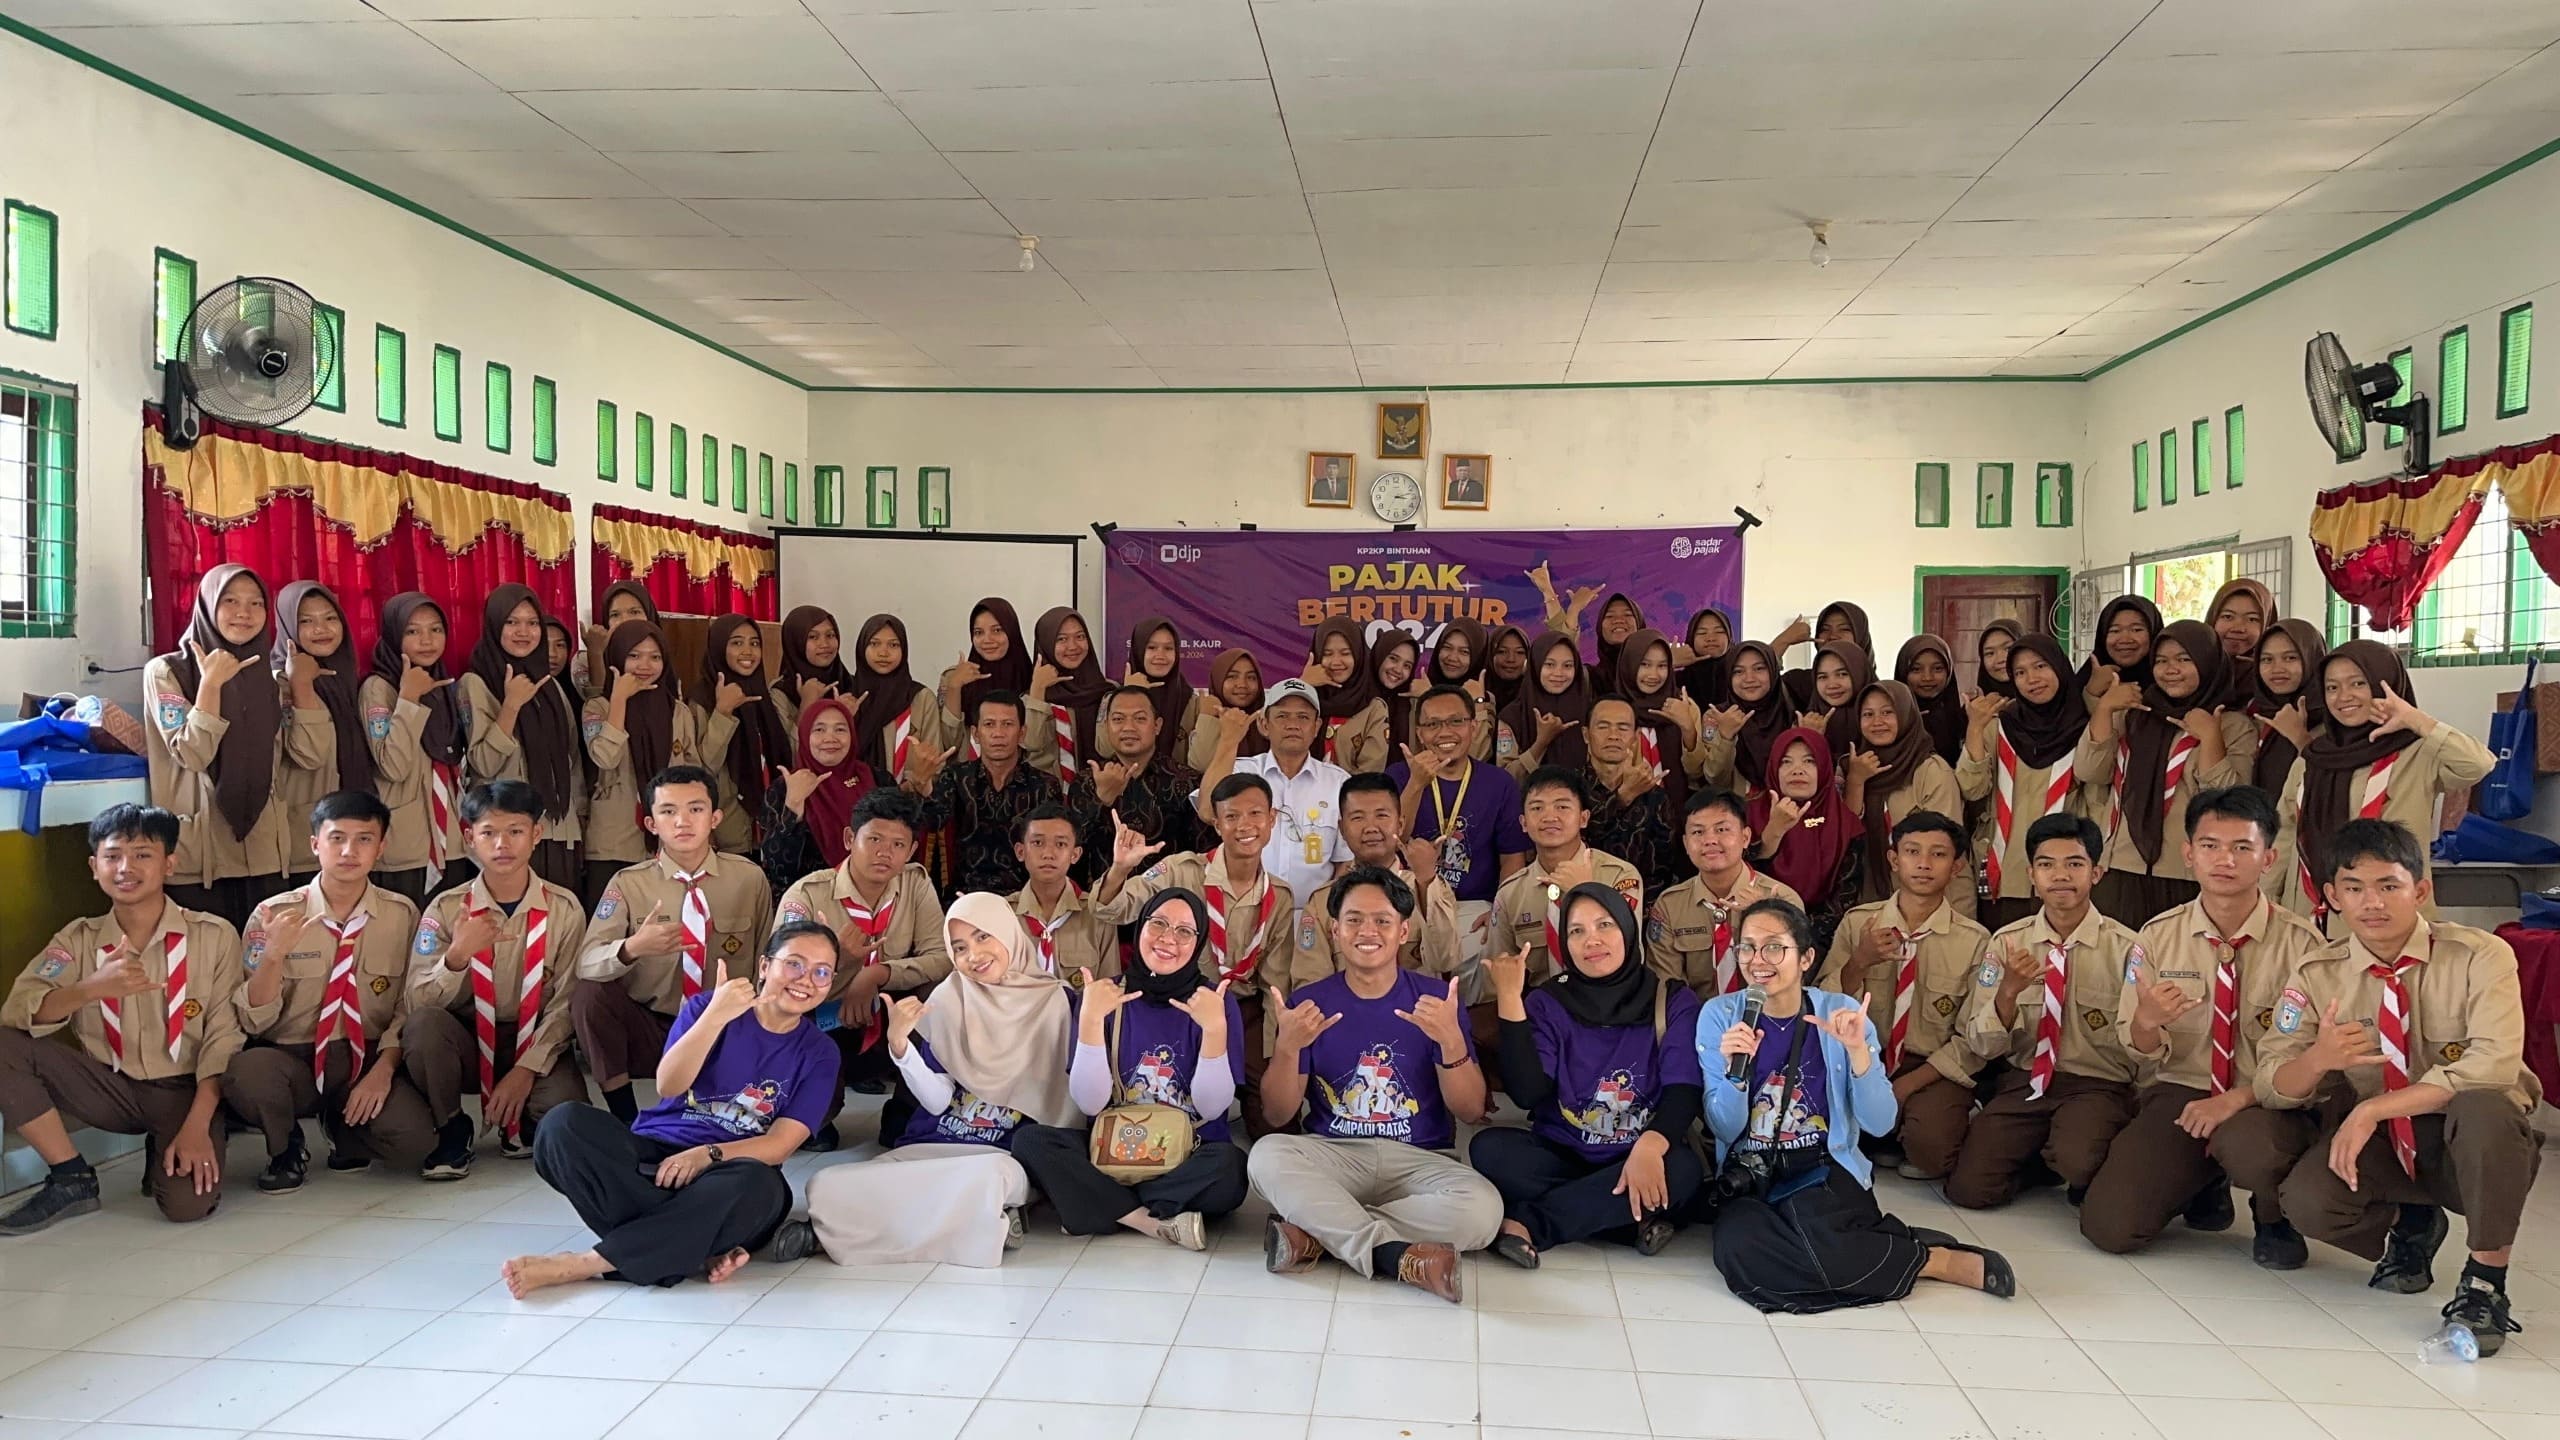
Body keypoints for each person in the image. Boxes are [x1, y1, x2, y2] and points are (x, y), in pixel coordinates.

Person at [2259, 819, 2539, 1352]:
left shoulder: (2481, 955)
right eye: (2354, 888)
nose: (2373, 903)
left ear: (2420, 890)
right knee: (2309, 1202)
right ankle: (2413, 1221)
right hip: (2393, 1140)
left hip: (2473, 1137)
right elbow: (2272, 1081)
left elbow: (2494, 1065)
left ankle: (2485, 1284)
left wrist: (2372, 1109)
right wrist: (2319, 1059)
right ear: (2333, 897)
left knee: (2485, 1108)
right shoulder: (2318, 973)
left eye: (2389, 885)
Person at [1702, 898, 2014, 1312]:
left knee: (1815, 1234)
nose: (1758, 960)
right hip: (1751, 1170)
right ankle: (1900, 1251)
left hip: (1821, 1166)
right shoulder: (1720, 1016)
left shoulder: (1842, 1012)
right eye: (1747, 947)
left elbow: (1880, 1123)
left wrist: (1858, 1055)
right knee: (1738, 1249)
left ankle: (1936, 1261)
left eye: (1774, 947)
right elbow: (1723, 1128)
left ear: (1806, 957)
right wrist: (1734, 1075)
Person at [509, 922, 840, 1297]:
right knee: (562, 1126)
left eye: (821, 972)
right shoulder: (706, 1008)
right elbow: (669, 1085)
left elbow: (779, 1145)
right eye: (794, 964)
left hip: (731, 1171)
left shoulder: (820, 1053)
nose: (806, 979)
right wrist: (715, 1017)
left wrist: (707, 1155)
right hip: (657, 1154)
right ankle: (696, 1242)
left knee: (761, 1187)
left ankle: (589, 1263)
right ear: (765, 966)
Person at [2078, 786, 2328, 1263]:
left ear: (2269, 858)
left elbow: (2309, 1059)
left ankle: (2272, 1213)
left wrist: (2237, 1098)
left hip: (2267, 1100)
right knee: (2110, 1227)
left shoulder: (2303, 945)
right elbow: (2137, 1046)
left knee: (2252, 1145)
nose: (2225, 860)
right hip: (2184, 1091)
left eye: (2242, 847)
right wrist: (2148, 1021)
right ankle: (2201, 1180)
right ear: (2189, 854)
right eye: (2210, 845)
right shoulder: (2157, 936)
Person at [1253, 866, 1501, 1302]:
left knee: (1483, 1209)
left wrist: (1451, 1040)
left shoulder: (1436, 1001)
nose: (1367, 931)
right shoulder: (1309, 1003)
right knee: (1266, 1156)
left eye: (1382, 920)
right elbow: (1277, 1115)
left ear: (1403, 931)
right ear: (1335, 930)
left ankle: (1319, 1234)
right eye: (1354, 920)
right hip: (1335, 1154)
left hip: (1420, 1158)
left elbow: (1469, 1110)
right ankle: (1390, 1254)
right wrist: (1288, 1047)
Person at [797, 893, 1080, 1267]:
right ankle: (979, 1224)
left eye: (983, 936)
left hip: (1003, 1154)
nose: (973, 955)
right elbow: (938, 1102)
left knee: (987, 1180)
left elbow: (1070, 1102)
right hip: (935, 1144)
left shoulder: (1056, 1001)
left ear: (1007, 932)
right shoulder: (948, 997)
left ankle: (838, 1235)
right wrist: (901, 1047)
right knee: (824, 1183)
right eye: (959, 947)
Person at [0, 805, 244, 1232]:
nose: (125, 868)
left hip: (185, 1092)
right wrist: (88, 989)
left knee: (186, 1206)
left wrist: (197, 1126)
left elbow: (224, 1037)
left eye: (142, 855)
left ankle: (166, 1145)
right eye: (112, 856)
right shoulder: (78, 939)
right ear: (94, 867)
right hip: (109, 1086)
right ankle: (71, 1177)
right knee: (5, 1045)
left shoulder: (213, 935)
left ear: (169, 864)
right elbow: (18, 1011)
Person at [1473, 882, 1704, 1264]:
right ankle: (1627, 1222)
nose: (1591, 940)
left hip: (1637, 1152)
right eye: (1576, 930)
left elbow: (1684, 1087)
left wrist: (1651, 1145)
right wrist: (1510, 999)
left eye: (1604, 925)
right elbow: (1528, 1093)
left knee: (1681, 1170)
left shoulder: (1672, 999)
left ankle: (1532, 1223)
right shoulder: (1548, 1001)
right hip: (1565, 1152)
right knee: (1490, 1150)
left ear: (1627, 930)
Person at [1011, 889, 1251, 1249]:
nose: (1168, 938)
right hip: (1110, 1152)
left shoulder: (1215, 1001)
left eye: (1185, 931)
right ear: (1139, 928)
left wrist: (1215, 1030)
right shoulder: (1104, 995)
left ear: (1199, 941)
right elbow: (1091, 1104)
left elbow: (1213, 1108)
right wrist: (1091, 1021)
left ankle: (1100, 1205)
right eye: (1158, 924)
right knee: (1031, 1141)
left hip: (1189, 1151)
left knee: (1231, 1169)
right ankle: (1149, 1220)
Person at [226, 791, 436, 1192]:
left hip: (366, 1057)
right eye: (337, 838)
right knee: (248, 1074)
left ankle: (345, 1131)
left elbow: (407, 1004)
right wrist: (273, 957)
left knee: (413, 1142)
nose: (349, 851)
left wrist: (383, 1070)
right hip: (293, 1059)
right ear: (314, 844)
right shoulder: (276, 914)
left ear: (381, 847)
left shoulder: (401, 914)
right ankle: (285, 1146)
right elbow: (252, 1019)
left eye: (364, 839)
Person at [1944, 812, 2140, 1210]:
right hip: (2026, 1079)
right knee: (1969, 1190)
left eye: (2075, 864)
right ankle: (2039, 1161)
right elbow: (1982, 1044)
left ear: (2096, 873)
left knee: (2080, 1161)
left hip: (2096, 1084)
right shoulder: (2007, 943)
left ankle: (2075, 1155)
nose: (2060, 876)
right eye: (2047, 865)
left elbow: (2142, 1047)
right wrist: (2008, 992)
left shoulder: (2127, 949)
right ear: (2031, 874)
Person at [401, 780, 591, 1180]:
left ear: (536, 834)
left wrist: (526, 1069)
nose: (502, 844)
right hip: (467, 1040)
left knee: (564, 1112)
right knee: (424, 1027)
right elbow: (416, 1002)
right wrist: (456, 956)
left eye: (515, 831)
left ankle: (524, 1119)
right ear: (469, 838)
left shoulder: (564, 908)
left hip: (535, 1040)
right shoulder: (447, 908)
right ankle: (451, 1125)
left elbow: (566, 1002)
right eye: (488, 833)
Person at [576, 765, 777, 1124]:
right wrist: (632, 947)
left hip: (726, 1023)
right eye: (668, 811)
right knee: (590, 994)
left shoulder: (748, 878)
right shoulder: (628, 884)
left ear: (715, 818)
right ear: (650, 823)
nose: (682, 821)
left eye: (695, 809)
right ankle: (626, 1118)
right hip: (654, 1025)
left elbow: (767, 958)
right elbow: (587, 962)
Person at [1094, 776, 1297, 1130]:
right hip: (1181, 1003)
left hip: (1243, 1008)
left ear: (1272, 819)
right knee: (1173, 1096)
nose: (1245, 825)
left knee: (1270, 1119)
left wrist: (1271, 1054)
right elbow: (1111, 909)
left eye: (1255, 814)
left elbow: (1274, 982)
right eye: (1231, 816)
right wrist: (1121, 868)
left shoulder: (1278, 896)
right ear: (1217, 824)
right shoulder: (1181, 871)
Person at [1817, 811, 1992, 1183]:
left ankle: (1928, 1120)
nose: (1924, 863)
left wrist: (1905, 1086)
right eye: (1912, 851)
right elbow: (1823, 1007)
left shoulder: (1975, 941)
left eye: (1938, 854)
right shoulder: (1858, 923)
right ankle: (1888, 1131)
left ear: (1957, 866)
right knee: (1818, 1134)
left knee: (1932, 1152)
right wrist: (1860, 961)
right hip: (1863, 1058)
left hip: (1929, 1066)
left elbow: (1972, 1038)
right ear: (1894, 860)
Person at [773, 787, 951, 1139]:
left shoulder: (915, 885)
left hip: (886, 1016)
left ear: (911, 851)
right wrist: (838, 962)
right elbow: (779, 984)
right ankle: (812, 1108)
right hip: (825, 1019)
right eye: (874, 840)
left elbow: (942, 959)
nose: (885, 852)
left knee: (940, 993)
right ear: (849, 839)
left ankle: (906, 1107)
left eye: (898, 844)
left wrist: (876, 974)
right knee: (813, 1129)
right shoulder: (808, 895)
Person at [2276, 641, 2493, 928]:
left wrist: (2416, 719)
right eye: (2332, 687)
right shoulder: (2312, 760)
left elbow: (2478, 765)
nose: (2343, 696)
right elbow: (2283, 836)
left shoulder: (2417, 753)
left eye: (2358, 683)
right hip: (2310, 920)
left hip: (2390, 921)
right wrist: (2268, 908)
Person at [144, 564, 296, 930]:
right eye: (230, 601)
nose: (244, 613)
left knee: (265, 956)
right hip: (201, 854)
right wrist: (210, 685)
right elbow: (191, 753)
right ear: (208, 605)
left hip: (264, 850)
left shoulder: (270, 681)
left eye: (256, 603)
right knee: (204, 959)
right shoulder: (167, 671)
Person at [2079, 619, 2255, 928]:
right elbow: (2090, 771)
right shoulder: (2134, 715)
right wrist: (2105, 709)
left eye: (2184, 659)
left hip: (2189, 874)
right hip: (2120, 867)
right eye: (2161, 661)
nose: (2170, 669)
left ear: (2208, 662)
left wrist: (2210, 738)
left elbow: (2230, 804)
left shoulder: (2233, 726)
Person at [1389, 683, 1529, 980]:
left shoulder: (1499, 783)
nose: (1445, 732)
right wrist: (1416, 784)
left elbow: (1512, 857)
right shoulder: (1398, 776)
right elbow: (1393, 841)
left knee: (1483, 962)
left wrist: (1499, 912)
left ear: (1473, 727)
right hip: (1411, 902)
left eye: (1456, 721)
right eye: (1432, 724)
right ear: (1419, 733)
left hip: (1473, 904)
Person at [1955, 633, 2088, 933]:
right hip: (2005, 877)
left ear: (2059, 666)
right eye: (2020, 672)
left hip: (2065, 876)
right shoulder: (2000, 725)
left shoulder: (2085, 726)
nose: (2032, 679)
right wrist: (1975, 728)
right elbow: (1972, 789)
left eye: (2040, 666)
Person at [459, 585, 584, 893]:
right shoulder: (476, 683)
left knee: (559, 914)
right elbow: (483, 763)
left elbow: (571, 758)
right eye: (512, 622)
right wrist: (511, 705)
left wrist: (578, 817)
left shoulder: (550, 686)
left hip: (557, 829)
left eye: (532, 623)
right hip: (506, 832)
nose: (523, 632)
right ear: (494, 625)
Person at [1195, 679, 1352, 911]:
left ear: (1317, 726)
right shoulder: (1241, 772)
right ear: (1264, 724)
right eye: (1282, 716)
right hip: (1246, 914)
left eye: (1303, 717)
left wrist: (1327, 913)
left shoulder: (1338, 782)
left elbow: (1345, 861)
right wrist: (1229, 739)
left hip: (1313, 917)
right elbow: (1207, 812)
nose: (1293, 725)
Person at [581, 620, 705, 910]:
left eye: (655, 656)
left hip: (667, 843)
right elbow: (605, 757)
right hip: (612, 843)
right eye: (634, 655)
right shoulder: (597, 707)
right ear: (616, 657)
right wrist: (619, 700)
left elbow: (693, 775)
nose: (645, 665)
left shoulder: (677, 711)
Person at [1294, 772, 1462, 987]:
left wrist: (1425, 882)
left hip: (1418, 1006)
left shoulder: (1429, 887)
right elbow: (1310, 985)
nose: (1371, 827)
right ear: (1342, 829)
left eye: (1381, 816)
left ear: (1400, 824)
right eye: (1358, 818)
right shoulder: (1322, 902)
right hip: (1345, 1007)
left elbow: (1445, 960)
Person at [1490, 767, 1645, 990]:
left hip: (1610, 999)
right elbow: (1499, 975)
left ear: (1583, 818)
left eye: (1562, 807)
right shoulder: (1510, 893)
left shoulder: (1620, 875)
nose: (1549, 817)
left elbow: (1630, 953)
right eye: (1537, 808)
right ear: (1523, 823)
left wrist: (1585, 890)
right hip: (1542, 1005)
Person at [361, 592, 469, 907]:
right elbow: (392, 765)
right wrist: (408, 699)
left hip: (454, 840)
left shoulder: (444, 684)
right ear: (394, 635)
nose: (427, 640)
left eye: (436, 629)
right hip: (407, 847)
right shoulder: (379, 688)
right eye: (412, 631)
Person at [1646, 788, 1803, 996]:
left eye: (1722, 829)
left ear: (1745, 837)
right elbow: (1667, 988)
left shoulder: (1782, 899)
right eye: (1698, 832)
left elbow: (1791, 981)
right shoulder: (1670, 905)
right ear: (1685, 844)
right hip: (1696, 1014)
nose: (1709, 840)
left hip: (1765, 1010)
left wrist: (1764, 919)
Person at [904, 688, 1059, 895]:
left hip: (1025, 898)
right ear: (976, 734)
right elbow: (934, 821)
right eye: (989, 724)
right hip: (964, 895)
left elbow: (1060, 844)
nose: (998, 733)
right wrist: (922, 785)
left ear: (1022, 733)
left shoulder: (1044, 785)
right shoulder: (956, 777)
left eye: (1007, 724)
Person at [268, 581, 371, 884]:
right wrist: (300, 684)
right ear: (287, 626)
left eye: (330, 618)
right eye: (306, 621)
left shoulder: (345, 678)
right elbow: (308, 755)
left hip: (351, 831)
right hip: (302, 840)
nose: (321, 629)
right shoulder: (277, 685)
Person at [1068, 684, 1208, 886]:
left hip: (1168, 898)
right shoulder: (1086, 781)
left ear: (1157, 725)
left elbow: (1202, 855)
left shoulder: (1186, 781)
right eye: (1118, 719)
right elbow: (1070, 852)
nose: (1128, 727)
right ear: (1106, 726)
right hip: (1100, 899)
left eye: (1140, 718)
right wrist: (1101, 800)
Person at [1844, 679, 1964, 909]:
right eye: (1868, 714)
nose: (1877, 722)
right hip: (1872, 895)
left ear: (1906, 714)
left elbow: (1943, 844)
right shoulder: (1856, 765)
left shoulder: (1930, 770)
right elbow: (1847, 833)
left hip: (1934, 899)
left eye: (1887, 712)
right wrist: (1856, 780)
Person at [1748, 728, 1863, 954]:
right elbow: (1741, 875)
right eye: (1786, 762)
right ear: (1773, 768)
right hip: (1756, 931)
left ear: (1824, 768)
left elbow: (1843, 900)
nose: (1797, 770)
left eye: (1809, 761)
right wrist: (1773, 832)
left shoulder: (1846, 825)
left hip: (1822, 942)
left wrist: (1801, 941)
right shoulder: (1748, 816)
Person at [756, 696, 878, 899]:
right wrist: (793, 806)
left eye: (840, 729)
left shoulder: (876, 779)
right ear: (805, 736)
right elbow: (778, 869)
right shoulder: (784, 788)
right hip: (807, 899)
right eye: (819, 729)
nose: (830, 738)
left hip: (870, 895)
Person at [692, 614, 786, 857]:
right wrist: (723, 712)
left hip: (769, 831)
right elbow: (703, 767)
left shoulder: (763, 696)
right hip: (727, 833)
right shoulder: (702, 700)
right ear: (718, 647)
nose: (748, 651)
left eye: (754, 643)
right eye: (736, 643)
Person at [1584, 697, 1682, 899]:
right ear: (1586, 735)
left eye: (1623, 728)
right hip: (1581, 901)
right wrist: (1623, 796)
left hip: (1641, 907)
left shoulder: (1655, 797)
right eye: (1603, 727)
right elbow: (1577, 841)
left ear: (1636, 737)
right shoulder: (1570, 789)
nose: (1613, 736)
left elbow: (1663, 869)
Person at [1009, 805, 1119, 979]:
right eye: (1037, 843)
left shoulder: (1097, 914)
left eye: (1060, 844)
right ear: (1021, 851)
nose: (1048, 854)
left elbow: (1110, 983)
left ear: (1075, 855)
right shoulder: (1004, 913)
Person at [841, 612, 953, 779]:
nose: (883, 653)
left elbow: (934, 761)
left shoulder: (920, 698)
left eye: (893, 645)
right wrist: (844, 717)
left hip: (908, 792)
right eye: (874, 643)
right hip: (851, 791)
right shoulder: (846, 697)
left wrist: (913, 785)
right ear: (862, 647)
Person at [1615, 628, 1707, 809]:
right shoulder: (1613, 710)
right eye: (1644, 664)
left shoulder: (1685, 706)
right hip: (1625, 813)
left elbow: (1696, 773)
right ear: (1629, 664)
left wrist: (1688, 728)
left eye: (1662, 666)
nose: (1653, 675)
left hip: (1678, 812)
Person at [1022, 606, 1109, 782]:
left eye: (1080, 637)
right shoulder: (1029, 699)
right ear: (1046, 644)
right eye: (1061, 639)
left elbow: (1111, 750)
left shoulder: (1108, 693)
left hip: (1103, 791)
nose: (1073, 646)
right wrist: (1038, 691)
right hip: (1048, 794)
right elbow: (1031, 745)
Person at [1698, 640, 1797, 796]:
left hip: (1790, 804)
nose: (1749, 678)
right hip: (1738, 807)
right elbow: (1713, 778)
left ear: (1773, 671)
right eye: (1738, 671)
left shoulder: (1793, 714)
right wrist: (1726, 737)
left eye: (1759, 669)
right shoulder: (1716, 716)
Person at [2247, 618, 2325, 807]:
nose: (2277, 669)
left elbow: (2330, 789)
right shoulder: (2255, 715)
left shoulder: (2335, 720)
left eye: (2290, 658)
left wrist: (2300, 738)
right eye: (2267, 659)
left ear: (2312, 658)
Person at [937, 597, 1035, 741]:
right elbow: (948, 743)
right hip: (967, 756)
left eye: (997, 630)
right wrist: (954, 687)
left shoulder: (1032, 678)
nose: (987, 640)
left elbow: (1034, 744)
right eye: (979, 632)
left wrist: (1038, 690)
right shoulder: (953, 677)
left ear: (1012, 632)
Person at [1496, 630, 1592, 776]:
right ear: (1535, 665)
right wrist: (1541, 742)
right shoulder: (1512, 716)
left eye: (1567, 666)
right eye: (1549, 664)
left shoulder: (1590, 712)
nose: (1558, 673)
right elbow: (1505, 777)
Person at [1336, 629, 1423, 775]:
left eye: (1407, 665)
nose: (1398, 670)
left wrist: (1430, 694)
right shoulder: (1353, 699)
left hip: (1406, 787)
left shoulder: (1413, 706)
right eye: (1393, 659)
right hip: (1353, 786)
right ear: (1379, 655)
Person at [1126, 616, 1201, 765]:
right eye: (1152, 648)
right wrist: (1131, 694)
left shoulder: (1191, 701)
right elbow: (1106, 750)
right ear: (1138, 650)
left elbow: (1201, 763)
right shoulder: (1114, 698)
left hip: (1179, 779)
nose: (1160, 655)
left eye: (1168, 648)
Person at [1773, 601, 1875, 711]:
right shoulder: (1799, 684)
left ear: (1861, 637)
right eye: (1825, 629)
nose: (1832, 636)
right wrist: (1783, 640)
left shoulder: (1881, 693)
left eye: (1844, 629)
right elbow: (1764, 691)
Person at [772, 603, 854, 739]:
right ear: (795, 642)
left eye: (830, 635)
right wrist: (807, 704)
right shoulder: (779, 694)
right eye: (813, 637)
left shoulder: (851, 684)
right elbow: (786, 749)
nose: (825, 644)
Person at [1303, 616, 1373, 765]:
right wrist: (1303, 684)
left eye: (1345, 653)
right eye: (1327, 654)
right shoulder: (1304, 698)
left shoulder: (1373, 702)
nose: (1336, 662)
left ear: (1358, 654)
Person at [1188, 649, 1270, 770]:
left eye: (1251, 677)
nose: (1242, 684)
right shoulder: (1202, 716)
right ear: (1218, 679)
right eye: (1232, 676)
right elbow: (1201, 766)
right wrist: (1208, 717)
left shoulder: (1268, 719)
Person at [1895, 635, 1967, 766]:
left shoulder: (1964, 719)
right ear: (1903, 672)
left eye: (1937, 668)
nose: (1927, 677)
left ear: (1949, 671)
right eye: (1916, 669)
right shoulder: (1890, 719)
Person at [585, 581, 661, 698]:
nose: (625, 620)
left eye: (634, 612)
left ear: (649, 615)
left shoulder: (663, 652)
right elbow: (597, 702)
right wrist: (596, 654)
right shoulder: (586, 659)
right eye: (615, 615)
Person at [2080, 595, 2162, 698]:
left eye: (2136, 630)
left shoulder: (2171, 680)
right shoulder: (2087, 679)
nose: (2125, 640)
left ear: (2153, 633)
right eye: (2115, 631)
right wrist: (2091, 692)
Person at [2206, 577, 2275, 692]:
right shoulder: (2188, 667)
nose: (2238, 629)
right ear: (2213, 618)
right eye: (2228, 617)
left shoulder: (2274, 676)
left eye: (2252, 619)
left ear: (2266, 624)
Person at [1975, 619, 2024, 702]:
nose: (2000, 659)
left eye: (2008, 649)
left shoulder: (2044, 703)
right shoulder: (1974, 707)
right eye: (1990, 653)